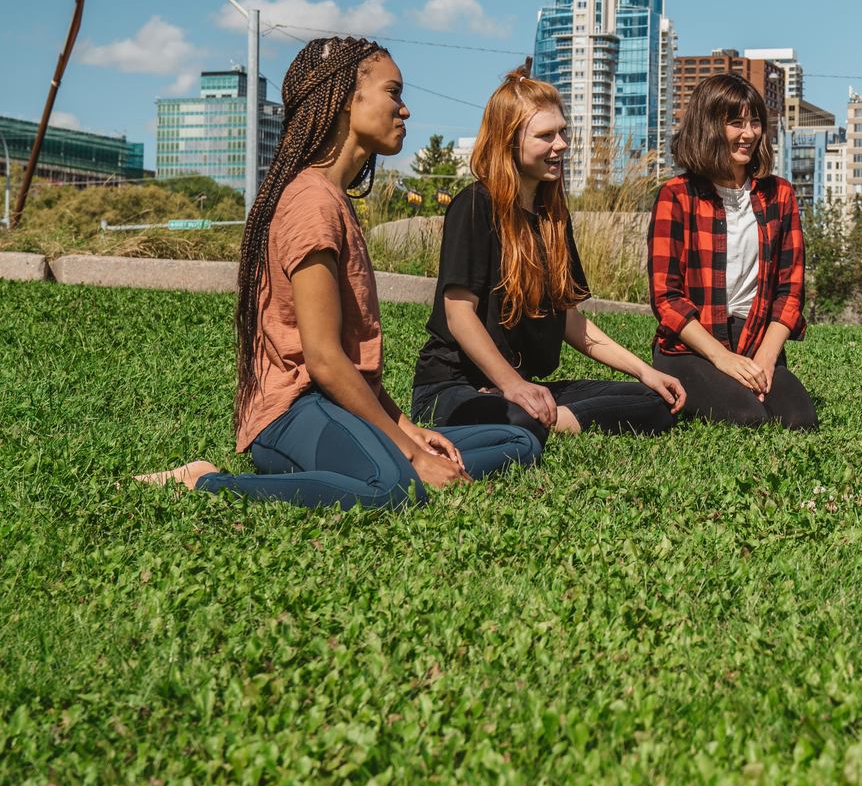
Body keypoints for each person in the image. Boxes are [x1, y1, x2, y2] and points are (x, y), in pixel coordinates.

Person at [137, 37, 542, 509]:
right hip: (293, 415)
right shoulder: (311, 203)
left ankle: (385, 463)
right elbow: (325, 361)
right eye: (394, 93)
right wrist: (410, 453)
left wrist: (409, 429)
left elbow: (355, 371)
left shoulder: (335, 199)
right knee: (392, 488)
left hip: (344, 406)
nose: (405, 110)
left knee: (520, 439)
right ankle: (204, 482)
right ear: (350, 99)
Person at [410, 69, 686, 444]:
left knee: (656, 401)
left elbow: (570, 320)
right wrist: (512, 385)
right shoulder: (475, 205)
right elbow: (459, 316)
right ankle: (532, 419)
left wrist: (643, 371)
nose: (561, 145)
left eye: (562, 132)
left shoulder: (553, 215)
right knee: (519, 422)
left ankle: (545, 419)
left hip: (519, 387)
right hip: (452, 388)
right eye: (545, 135)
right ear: (508, 142)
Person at [647, 73, 815, 429]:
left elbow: (791, 290)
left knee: (800, 419)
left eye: (755, 122)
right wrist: (722, 358)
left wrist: (767, 358)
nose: (749, 133)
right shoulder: (676, 196)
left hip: (755, 340)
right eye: (736, 123)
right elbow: (666, 298)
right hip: (691, 348)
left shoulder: (779, 195)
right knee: (747, 417)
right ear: (708, 127)